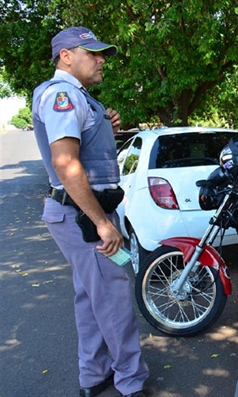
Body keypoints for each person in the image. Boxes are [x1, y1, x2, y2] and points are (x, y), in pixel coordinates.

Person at [31, 27, 149, 397]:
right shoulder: (63, 95)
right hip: (84, 217)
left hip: (77, 213)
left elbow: (83, 150)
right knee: (113, 297)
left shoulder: (76, 97)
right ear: (67, 56)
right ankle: (131, 382)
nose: (101, 60)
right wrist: (101, 223)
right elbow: (66, 163)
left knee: (90, 295)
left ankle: (94, 375)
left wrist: (104, 125)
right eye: (93, 53)